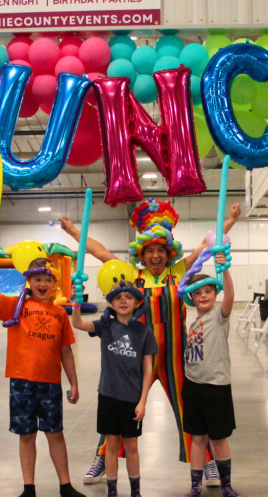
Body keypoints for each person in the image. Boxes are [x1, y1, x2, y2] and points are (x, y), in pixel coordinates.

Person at [60, 199, 241, 486]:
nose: (155, 255)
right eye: (150, 250)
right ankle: (102, 457)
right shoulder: (133, 275)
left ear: (167, 254)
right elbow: (102, 253)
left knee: (189, 410)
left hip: (175, 355)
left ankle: (206, 461)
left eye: (160, 250)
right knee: (121, 409)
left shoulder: (180, 271)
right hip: (137, 356)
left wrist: (230, 220)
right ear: (142, 254)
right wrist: (73, 232)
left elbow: (206, 246)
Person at [0, 251, 84, 497]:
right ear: (29, 281)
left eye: (48, 279)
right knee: (27, 435)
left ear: (54, 283)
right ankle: (28, 488)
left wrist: (73, 382)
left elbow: (66, 352)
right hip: (22, 381)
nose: (42, 284)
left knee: (55, 434)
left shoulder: (59, 314)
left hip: (50, 383)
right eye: (37, 279)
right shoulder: (16, 306)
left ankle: (65, 486)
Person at [70, 282, 158, 497]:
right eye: (118, 297)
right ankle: (112, 491)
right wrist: (76, 303)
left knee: (131, 446)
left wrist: (143, 400)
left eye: (129, 297)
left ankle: (135, 492)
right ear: (111, 303)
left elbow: (148, 368)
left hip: (132, 398)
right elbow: (79, 324)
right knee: (110, 443)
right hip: (108, 395)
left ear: (137, 303)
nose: (124, 301)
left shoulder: (144, 331)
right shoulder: (105, 326)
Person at [182, 255, 238, 497]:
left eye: (208, 291)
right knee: (197, 438)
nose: (203, 295)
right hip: (193, 386)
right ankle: (195, 485)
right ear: (192, 299)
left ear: (215, 295)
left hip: (216, 386)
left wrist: (224, 270)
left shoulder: (219, 317)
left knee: (219, 439)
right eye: (198, 293)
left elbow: (230, 297)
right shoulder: (193, 325)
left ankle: (226, 485)